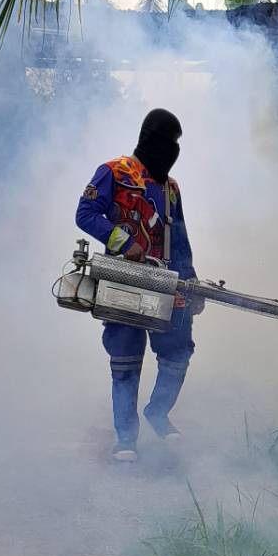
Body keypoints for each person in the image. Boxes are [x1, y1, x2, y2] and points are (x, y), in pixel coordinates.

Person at [76, 107, 200, 459]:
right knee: (125, 360)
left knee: (178, 353)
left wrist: (191, 280)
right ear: (147, 138)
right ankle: (126, 439)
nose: (171, 149)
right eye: (166, 141)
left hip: (167, 282)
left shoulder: (170, 187)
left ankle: (158, 414)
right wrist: (123, 243)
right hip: (123, 281)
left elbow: (179, 237)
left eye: (176, 143)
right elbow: (84, 214)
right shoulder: (112, 172)